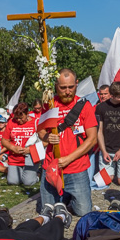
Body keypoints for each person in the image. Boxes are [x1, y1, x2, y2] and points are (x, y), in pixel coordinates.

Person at [38, 68, 98, 217]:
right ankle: (61, 198)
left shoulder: (85, 106)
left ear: (76, 84)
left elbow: (92, 139)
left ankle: (68, 197)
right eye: (63, 87)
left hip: (77, 168)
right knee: (48, 212)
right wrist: (47, 138)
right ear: (55, 86)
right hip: (52, 167)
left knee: (84, 212)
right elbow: (40, 131)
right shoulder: (49, 105)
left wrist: (68, 159)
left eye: (71, 87)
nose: (67, 91)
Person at [2, 102, 40, 186]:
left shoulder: (36, 123)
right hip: (15, 159)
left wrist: (30, 149)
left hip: (31, 158)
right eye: (17, 118)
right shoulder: (11, 122)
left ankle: (37, 175)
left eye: (21, 118)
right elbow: (4, 141)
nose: (18, 120)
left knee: (28, 182)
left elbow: (44, 141)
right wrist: (13, 148)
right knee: (13, 181)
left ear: (27, 113)